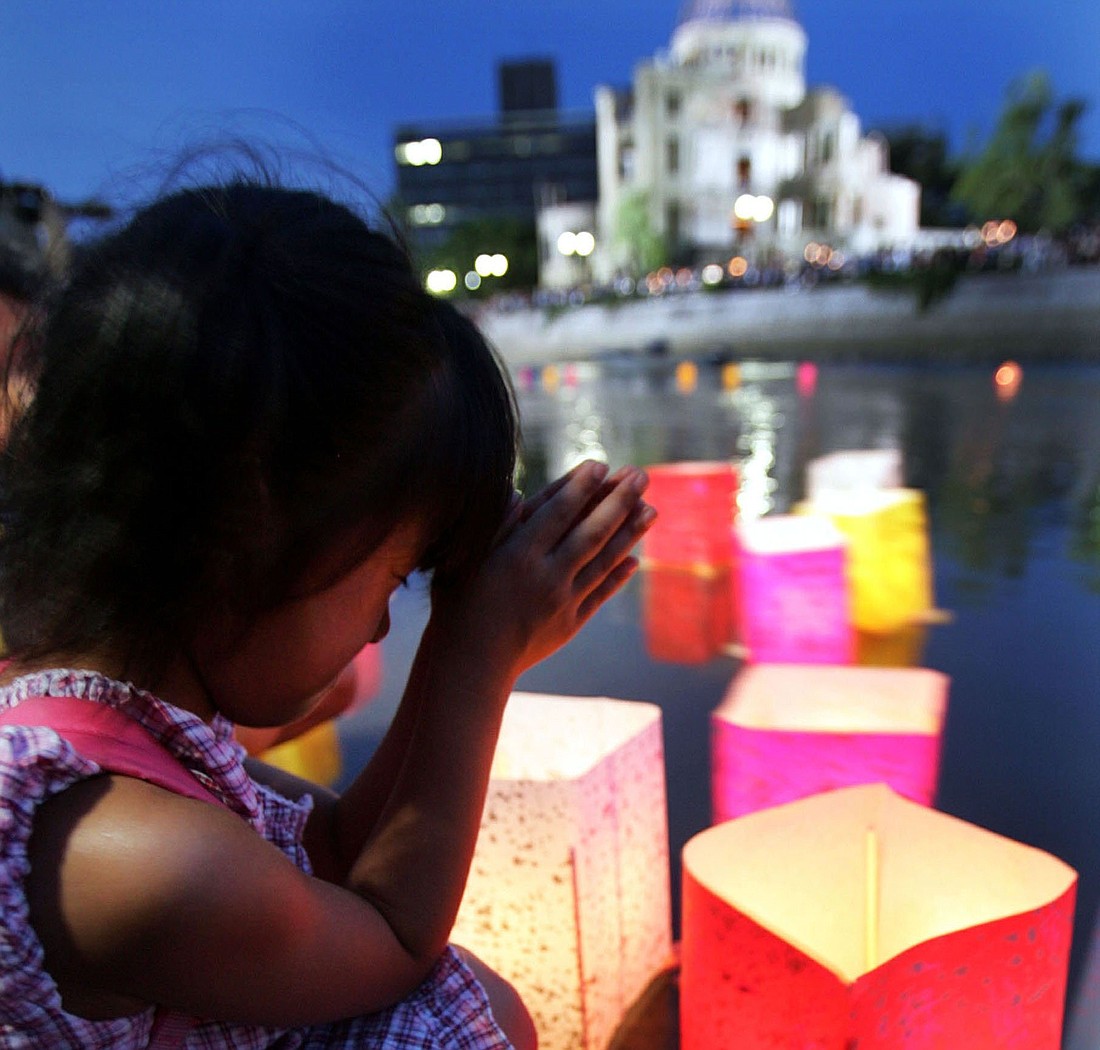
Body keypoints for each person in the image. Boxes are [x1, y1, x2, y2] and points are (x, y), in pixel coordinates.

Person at [0, 179, 655, 1048]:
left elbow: (338, 853)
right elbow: (392, 938)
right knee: (444, 1023)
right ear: (247, 533)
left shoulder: (102, 723)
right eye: (390, 581)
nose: (385, 628)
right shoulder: (134, 856)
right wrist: (477, 657)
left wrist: (467, 628)